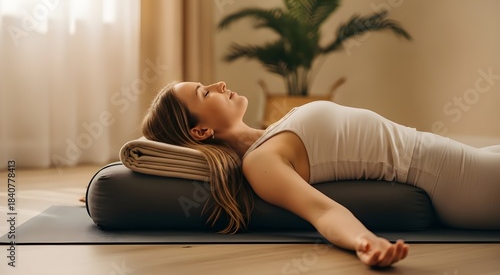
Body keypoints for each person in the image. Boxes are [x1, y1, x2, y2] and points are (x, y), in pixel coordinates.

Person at [141, 81, 500, 267]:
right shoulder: (260, 162)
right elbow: (323, 211)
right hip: (461, 182)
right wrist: (365, 242)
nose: (219, 84)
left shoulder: (271, 132)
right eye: (206, 92)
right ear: (201, 132)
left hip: (465, 158)